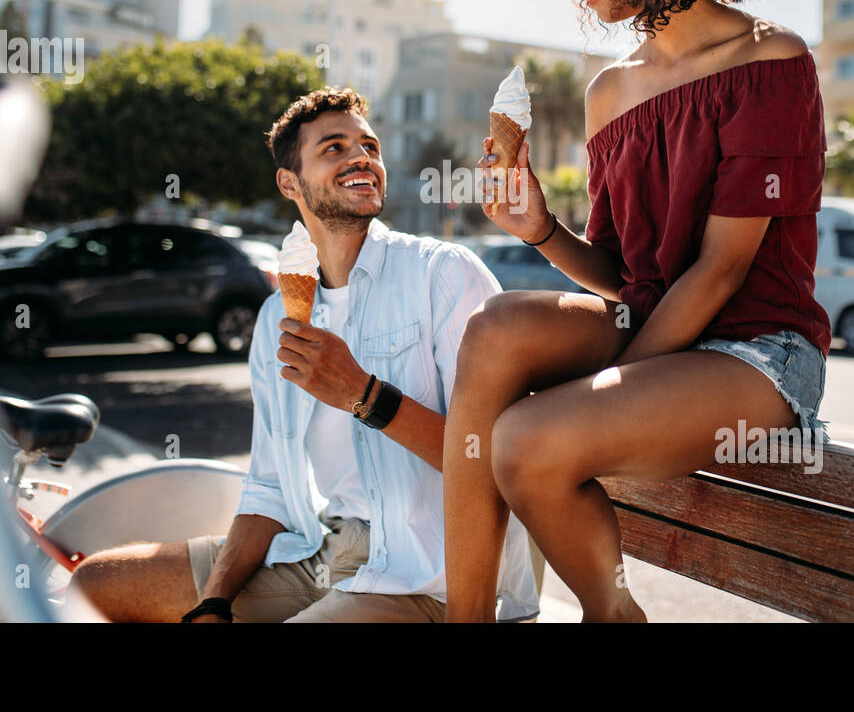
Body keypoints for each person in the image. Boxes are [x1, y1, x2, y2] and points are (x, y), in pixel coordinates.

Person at [442, 0, 832, 622]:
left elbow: (722, 269)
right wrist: (542, 232)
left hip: (755, 348)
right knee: (493, 329)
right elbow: (624, 275)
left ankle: (613, 616)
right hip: (655, 329)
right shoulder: (607, 92)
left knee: (527, 441)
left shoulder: (769, 59)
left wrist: (598, 387)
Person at [72, 87, 539, 622]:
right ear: (288, 183)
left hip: (431, 575)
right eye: (334, 148)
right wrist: (215, 601)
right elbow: (268, 486)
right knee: (96, 585)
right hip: (316, 550)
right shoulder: (277, 317)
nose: (362, 157)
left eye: (369, 145)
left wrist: (364, 396)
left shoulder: (444, 275)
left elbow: (494, 463)